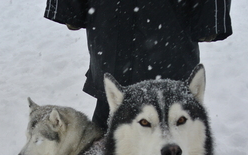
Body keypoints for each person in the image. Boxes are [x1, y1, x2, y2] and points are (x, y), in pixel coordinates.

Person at [44, 0, 232, 129]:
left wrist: (212, 18)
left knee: (168, 100)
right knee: (114, 93)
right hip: (114, 18)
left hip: (166, 20)